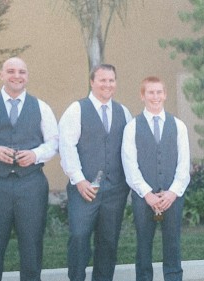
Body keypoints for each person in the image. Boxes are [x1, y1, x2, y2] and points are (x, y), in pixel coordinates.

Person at [0, 57, 59, 281]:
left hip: (31, 185)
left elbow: (54, 142)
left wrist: (35, 154)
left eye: (22, 72)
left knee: (32, 247)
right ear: (1, 75)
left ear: (27, 76)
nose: (17, 76)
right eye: (11, 71)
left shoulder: (41, 107)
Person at [59, 64, 132, 281]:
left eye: (111, 80)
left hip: (115, 190)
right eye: (102, 80)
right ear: (92, 82)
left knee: (108, 242)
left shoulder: (124, 112)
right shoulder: (76, 109)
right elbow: (66, 146)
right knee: (79, 237)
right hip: (84, 189)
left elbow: (129, 151)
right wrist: (79, 180)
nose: (107, 84)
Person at [122, 76, 190, 281]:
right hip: (144, 198)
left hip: (172, 196)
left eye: (159, 92)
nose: (155, 96)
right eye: (150, 92)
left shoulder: (178, 126)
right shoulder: (132, 127)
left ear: (165, 95)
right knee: (143, 246)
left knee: (172, 244)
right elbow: (130, 165)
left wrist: (172, 193)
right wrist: (147, 194)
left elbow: (184, 164)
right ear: (142, 96)